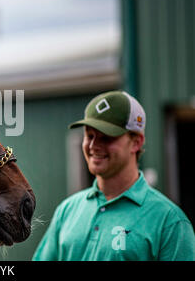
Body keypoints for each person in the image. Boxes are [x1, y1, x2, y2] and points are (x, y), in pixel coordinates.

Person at [32, 90, 195, 261]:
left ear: (136, 142)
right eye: (89, 135)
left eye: (106, 137)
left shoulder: (169, 222)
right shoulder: (67, 210)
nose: (93, 145)